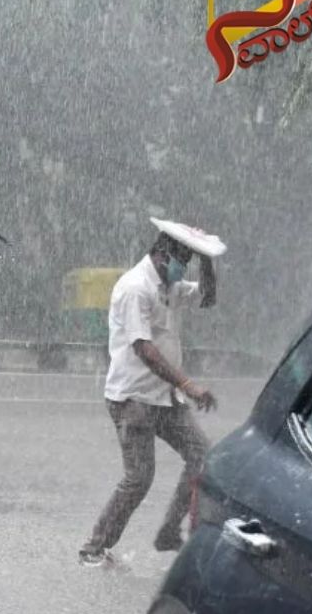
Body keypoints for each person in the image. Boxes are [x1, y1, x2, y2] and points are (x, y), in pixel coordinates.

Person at [79, 230, 218, 567]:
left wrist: (206, 258)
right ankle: (93, 549)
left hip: (165, 398)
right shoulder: (135, 287)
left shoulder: (169, 286)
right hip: (133, 399)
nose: (182, 269)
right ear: (161, 255)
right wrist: (188, 384)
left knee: (202, 457)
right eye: (181, 261)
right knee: (139, 478)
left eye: (187, 262)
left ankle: (168, 532)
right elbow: (144, 349)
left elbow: (207, 297)